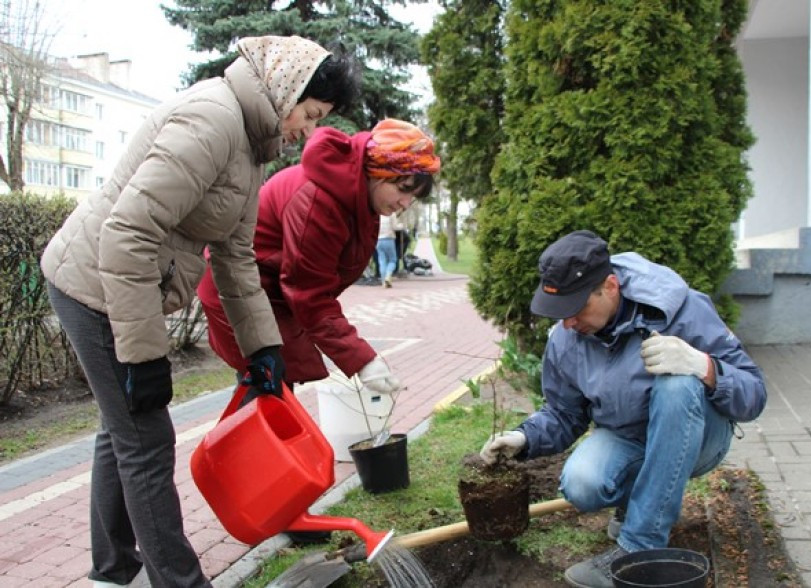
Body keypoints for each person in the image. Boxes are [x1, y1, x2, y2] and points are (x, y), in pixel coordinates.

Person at [40, 35, 358, 588]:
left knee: (122, 430)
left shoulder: (251, 143)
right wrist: (145, 356)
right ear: (284, 91)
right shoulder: (212, 122)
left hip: (120, 284)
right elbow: (127, 233)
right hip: (92, 284)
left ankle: (112, 572)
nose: (307, 131)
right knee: (146, 437)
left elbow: (235, 254)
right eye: (309, 114)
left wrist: (264, 349)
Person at [479, 230, 767, 588]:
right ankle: (637, 503)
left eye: (576, 308)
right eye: (560, 311)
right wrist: (524, 437)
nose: (567, 322)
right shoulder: (566, 338)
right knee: (582, 483)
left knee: (676, 384)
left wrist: (703, 366)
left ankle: (638, 549)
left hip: (699, 438)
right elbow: (565, 414)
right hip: (629, 438)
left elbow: (754, 394)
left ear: (610, 286)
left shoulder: (682, 310)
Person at [197, 118, 440, 402]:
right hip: (238, 290)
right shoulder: (319, 201)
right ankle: (243, 446)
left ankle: (258, 442)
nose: (405, 203)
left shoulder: (359, 198)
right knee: (268, 384)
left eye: (413, 196)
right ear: (378, 172)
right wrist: (361, 359)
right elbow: (308, 292)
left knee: (276, 386)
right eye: (403, 189)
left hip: (270, 292)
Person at [376, 212, 399, 287]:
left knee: (382, 261)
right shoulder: (391, 213)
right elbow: (395, 227)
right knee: (392, 260)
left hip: (378, 240)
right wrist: (401, 226)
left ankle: (383, 282)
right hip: (389, 239)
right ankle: (388, 276)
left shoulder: (378, 213)